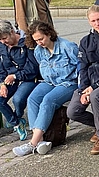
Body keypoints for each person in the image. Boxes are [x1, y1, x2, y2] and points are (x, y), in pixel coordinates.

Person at [12, 21, 78, 156]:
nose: (39, 42)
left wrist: (83, 88)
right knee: (33, 99)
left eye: (41, 39)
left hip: (68, 83)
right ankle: (40, 140)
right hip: (49, 81)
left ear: (49, 34)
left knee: (48, 100)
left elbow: (81, 68)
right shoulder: (38, 51)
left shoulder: (67, 47)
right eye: (36, 40)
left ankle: (32, 143)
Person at [66, 5, 99, 155]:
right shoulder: (86, 41)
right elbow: (82, 67)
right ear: (89, 22)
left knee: (96, 96)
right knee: (73, 111)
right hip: (89, 83)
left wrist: (94, 87)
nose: (97, 23)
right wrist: (84, 88)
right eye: (93, 21)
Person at [0, 20, 39, 141]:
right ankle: (17, 123)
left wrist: (16, 76)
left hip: (29, 78)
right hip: (9, 79)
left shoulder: (27, 42)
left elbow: (33, 68)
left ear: (12, 32)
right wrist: (2, 84)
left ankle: (18, 115)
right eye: (0, 40)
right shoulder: (2, 46)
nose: (3, 42)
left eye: (5, 38)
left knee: (18, 99)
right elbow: (0, 67)